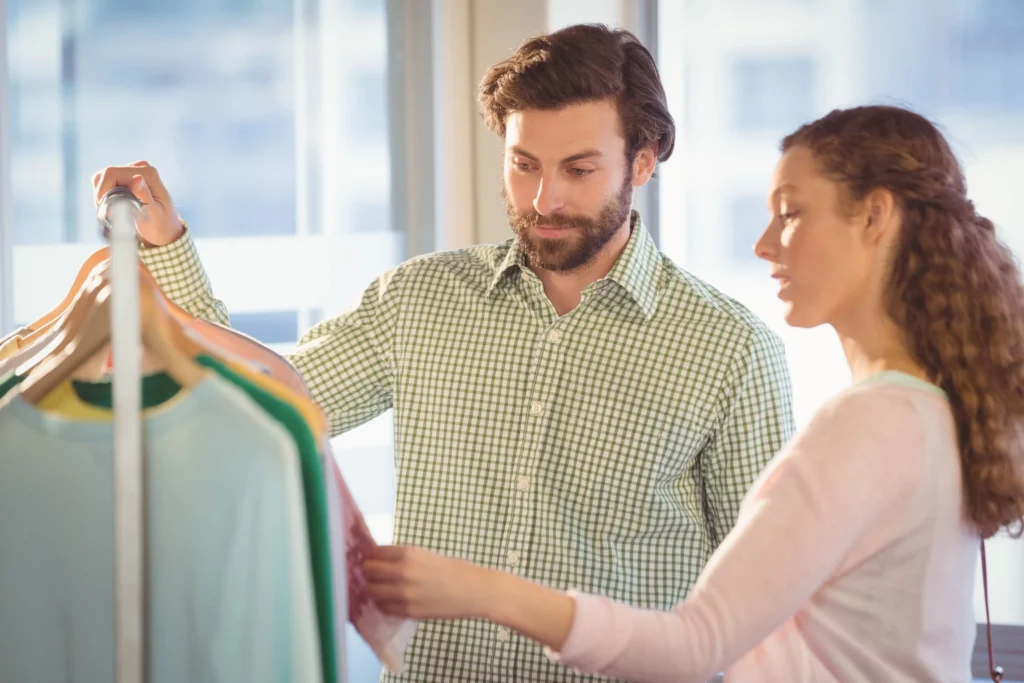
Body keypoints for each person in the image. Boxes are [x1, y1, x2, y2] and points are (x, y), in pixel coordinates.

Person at [93, 24, 794, 682]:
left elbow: (762, 608)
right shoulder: (418, 300)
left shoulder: (731, 350)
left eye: (579, 170)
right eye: (524, 165)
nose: (543, 199)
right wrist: (166, 245)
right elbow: (259, 404)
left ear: (642, 161)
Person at [362, 104, 1024, 682]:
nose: (765, 244)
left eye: (791, 214)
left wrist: (481, 590)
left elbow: (696, 643)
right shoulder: (928, 407)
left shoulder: (871, 422)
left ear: (875, 215)